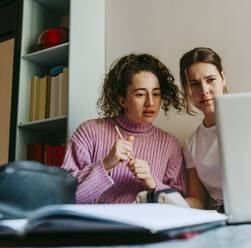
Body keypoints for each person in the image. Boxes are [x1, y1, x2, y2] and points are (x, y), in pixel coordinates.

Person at [62, 53, 187, 204]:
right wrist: (106, 164)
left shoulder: (170, 143)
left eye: (156, 94)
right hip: (96, 225)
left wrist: (152, 183)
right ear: (122, 100)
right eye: (140, 94)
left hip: (145, 225)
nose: (150, 102)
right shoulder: (88, 131)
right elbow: (65, 196)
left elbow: (182, 204)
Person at [180, 47, 227, 211]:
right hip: (221, 214)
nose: (204, 90)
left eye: (210, 80)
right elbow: (198, 202)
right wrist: (163, 201)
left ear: (222, 79)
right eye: (194, 84)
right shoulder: (191, 144)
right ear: (187, 89)